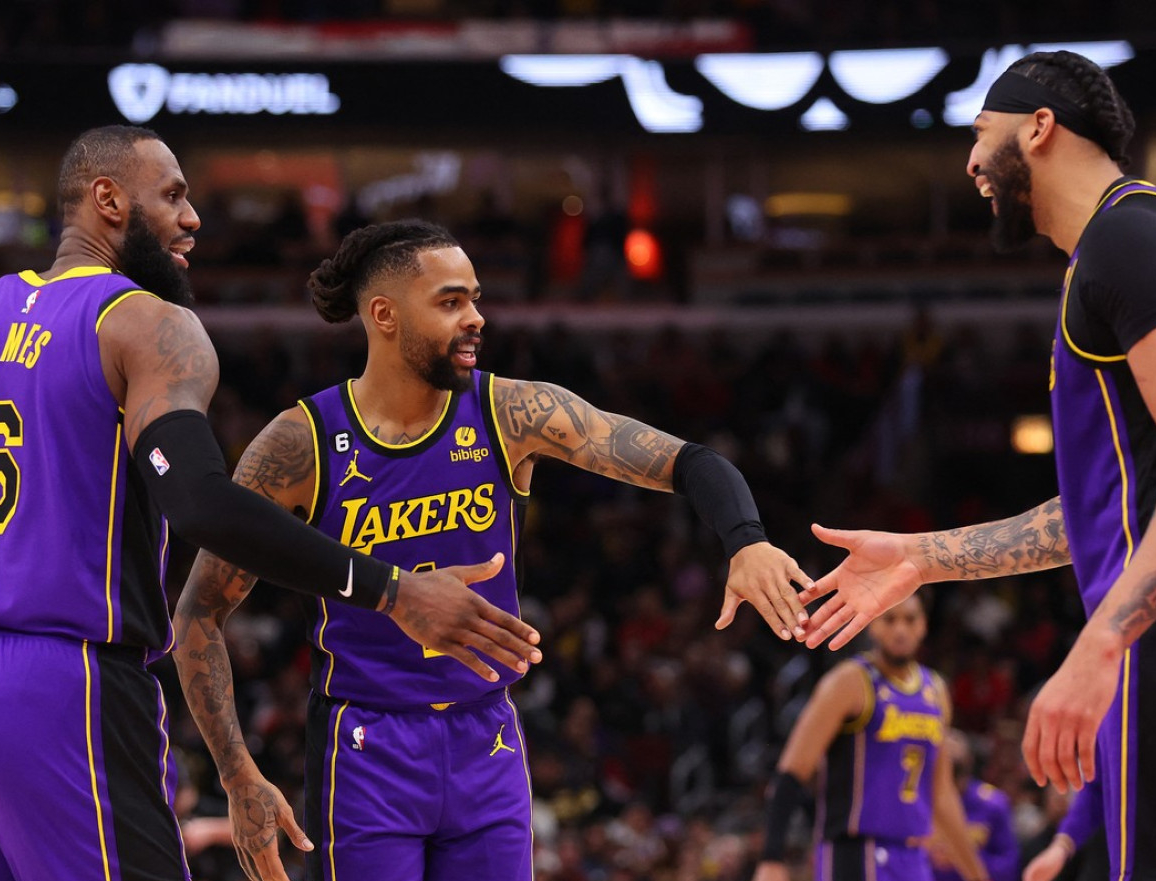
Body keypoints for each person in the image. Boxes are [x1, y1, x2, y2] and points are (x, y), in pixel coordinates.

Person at [0, 126, 540, 881]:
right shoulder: (145, 324)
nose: (192, 217)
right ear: (108, 199)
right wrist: (390, 590)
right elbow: (198, 504)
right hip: (61, 681)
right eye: (172, 195)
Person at [802, 50, 1156, 880]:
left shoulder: (1127, 236)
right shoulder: (1118, 245)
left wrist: (1100, 641)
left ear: (1039, 127)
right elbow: (1121, 506)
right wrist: (922, 557)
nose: (970, 162)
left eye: (981, 133)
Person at [173, 219, 816, 881]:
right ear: (384, 314)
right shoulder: (300, 442)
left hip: (488, 737)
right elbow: (198, 613)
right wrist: (237, 774)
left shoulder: (511, 412)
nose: (476, 317)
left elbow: (690, 461)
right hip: (365, 746)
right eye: (451, 301)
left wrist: (747, 540)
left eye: (475, 298)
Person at [753, 596, 987, 881]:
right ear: (872, 624)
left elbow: (943, 794)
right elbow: (792, 771)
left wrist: (977, 875)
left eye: (910, 619)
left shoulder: (936, 690)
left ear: (923, 625)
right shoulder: (849, 681)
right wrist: (771, 857)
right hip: (855, 852)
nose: (900, 629)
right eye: (890, 619)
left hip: (912, 855)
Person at [931, 732, 1016, 881]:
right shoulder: (919, 801)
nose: (951, 778)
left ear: (969, 764)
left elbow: (1008, 865)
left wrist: (961, 857)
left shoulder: (993, 803)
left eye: (958, 769)